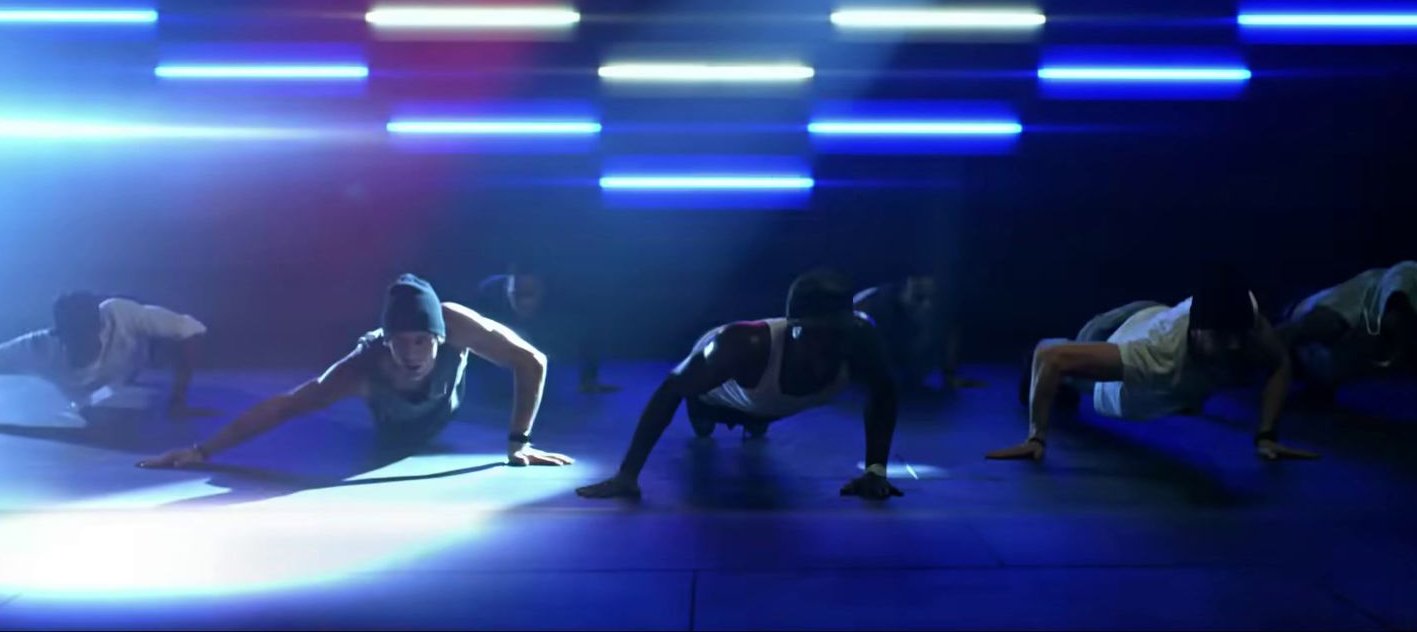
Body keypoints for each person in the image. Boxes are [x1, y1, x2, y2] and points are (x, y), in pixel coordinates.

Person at [138, 274, 572, 468]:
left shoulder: (457, 325)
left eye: (422, 341)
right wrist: (200, 450)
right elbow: (287, 405)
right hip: (395, 430)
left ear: (441, 338)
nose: (412, 353)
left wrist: (519, 443)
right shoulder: (361, 370)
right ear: (385, 341)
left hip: (445, 410)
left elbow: (532, 361)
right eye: (400, 342)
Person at [575, 269, 901, 501]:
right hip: (718, 395)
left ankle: (756, 421)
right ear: (795, 329)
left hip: (768, 405)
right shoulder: (742, 344)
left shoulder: (861, 338)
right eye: (820, 335)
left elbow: (883, 392)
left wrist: (875, 470)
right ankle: (707, 412)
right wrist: (627, 476)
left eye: (838, 334)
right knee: (705, 428)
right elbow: (671, 388)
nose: (831, 345)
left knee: (759, 421)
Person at [986, 266, 1318, 462]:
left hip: (1153, 312)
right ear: (1198, 332)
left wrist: (1267, 435)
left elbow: (1280, 363)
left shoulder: (1245, 322)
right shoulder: (1156, 356)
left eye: (1238, 337)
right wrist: (1036, 439)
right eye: (1221, 338)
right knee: (1060, 361)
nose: (1233, 347)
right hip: (1121, 347)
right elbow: (1051, 355)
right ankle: (1034, 378)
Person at [0, 292, 205, 420]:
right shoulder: (36, 348)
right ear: (59, 335)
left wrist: (178, 397)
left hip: (134, 361)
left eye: (84, 337)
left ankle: (146, 357)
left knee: (162, 339)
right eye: (70, 338)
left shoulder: (121, 315)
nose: (78, 345)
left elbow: (191, 331)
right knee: (95, 403)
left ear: (99, 329)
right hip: (94, 396)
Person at [1278, 261, 1417, 419]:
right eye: (1396, 303)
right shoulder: (1341, 316)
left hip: (1328, 352)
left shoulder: (1414, 332)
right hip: (1304, 329)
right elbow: (1288, 332)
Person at [478, 263, 617, 394]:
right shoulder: (491, 293)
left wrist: (588, 379)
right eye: (517, 294)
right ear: (507, 289)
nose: (523, 302)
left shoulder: (564, 306)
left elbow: (591, 337)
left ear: (543, 290)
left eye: (529, 295)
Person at [854, 275, 977, 390]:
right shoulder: (871, 303)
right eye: (919, 297)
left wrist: (949, 375)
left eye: (931, 298)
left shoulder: (937, 314)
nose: (927, 305)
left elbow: (951, 332)